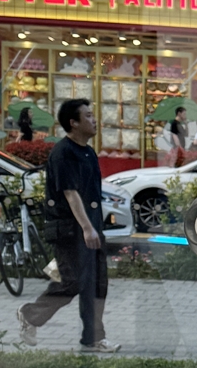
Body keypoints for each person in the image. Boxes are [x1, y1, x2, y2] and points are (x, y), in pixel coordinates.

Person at [17, 98, 120, 352]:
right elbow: (70, 194)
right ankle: (30, 315)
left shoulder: (88, 152)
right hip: (69, 230)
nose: (94, 120)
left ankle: (93, 338)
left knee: (96, 284)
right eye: (88, 116)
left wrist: (95, 226)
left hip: (91, 228)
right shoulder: (63, 153)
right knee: (71, 282)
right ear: (73, 123)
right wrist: (87, 228)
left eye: (93, 115)